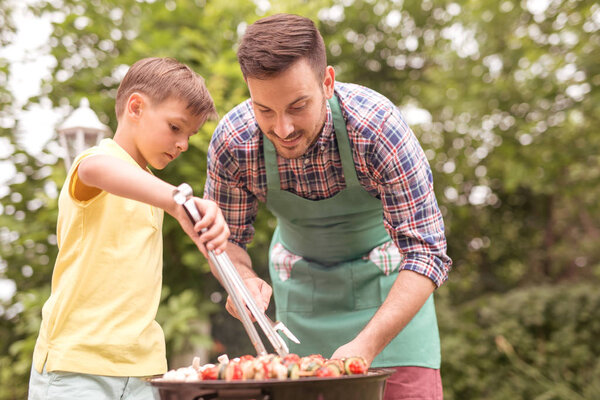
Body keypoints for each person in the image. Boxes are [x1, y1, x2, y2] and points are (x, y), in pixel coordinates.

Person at [204, 14, 452, 399]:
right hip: (302, 306)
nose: (282, 129)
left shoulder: (377, 127)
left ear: (328, 82)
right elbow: (223, 243)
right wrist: (240, 281)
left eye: (298, 105)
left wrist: (367, 345)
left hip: (389, 300)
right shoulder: (234, 141)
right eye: (264, 109)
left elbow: (427, 252)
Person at [28, 57, 230, 400]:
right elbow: (95, 170)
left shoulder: (151, 187)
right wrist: (176, 200)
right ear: (135, 107)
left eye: (190, 135)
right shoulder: (96, 161)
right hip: (78, 366)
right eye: (175, 127)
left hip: (142, 371)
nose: (182, 144)